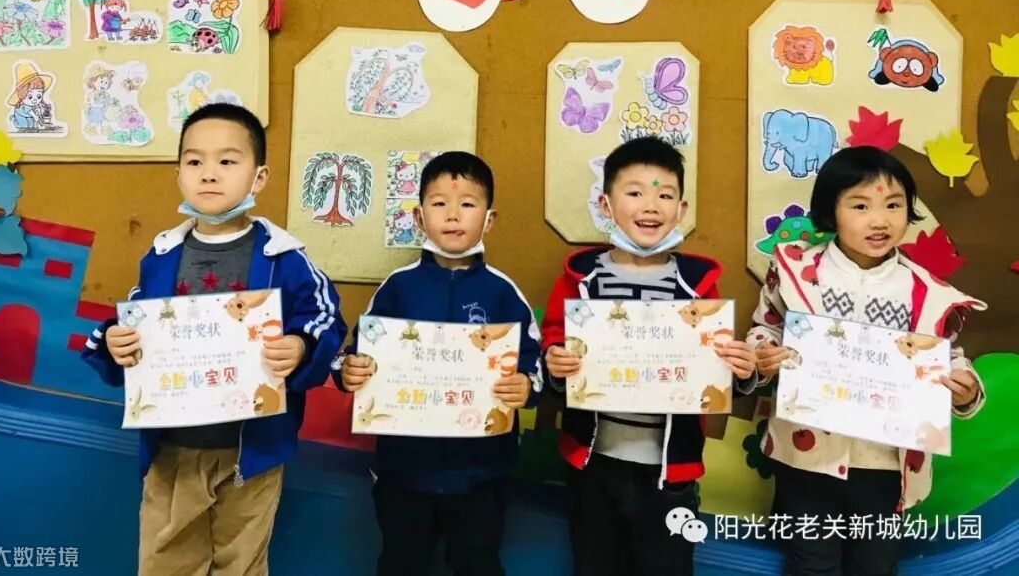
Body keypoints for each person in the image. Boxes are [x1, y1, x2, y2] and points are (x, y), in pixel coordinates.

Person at [82, 103, 343, 576]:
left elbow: (325, 317)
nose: (209, 173)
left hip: (251, 451)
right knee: (166, 562)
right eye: (194, 161)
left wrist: (301, 345)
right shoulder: (162, 255)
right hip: (173, 449)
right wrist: (116, 343)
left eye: (227, 160)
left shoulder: (284, 257)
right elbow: (136, 319)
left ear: (259, 177)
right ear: (179, 174)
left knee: (241, 564)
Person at [746, 146, 986, 576]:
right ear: (830, 211)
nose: (880, 220)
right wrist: (763, 353)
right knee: (811, 565)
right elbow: (767, 328)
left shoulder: (927, 292)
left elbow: (947, 356)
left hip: (885, 464)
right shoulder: (796, 271)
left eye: (894, 205)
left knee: (874, 566)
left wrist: (964, 387)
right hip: (807, 455)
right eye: (860, 206)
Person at [541, 137, 757, 576]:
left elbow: (715, 370)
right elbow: (553, 343)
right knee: (595, 566)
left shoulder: (697, 286)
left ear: (681, 209)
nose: (651, 206)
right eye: (635, 192)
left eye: (665, 195)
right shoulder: (581, 280)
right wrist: (555, 364)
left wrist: (741, 371)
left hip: (670, 473)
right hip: (593, 463)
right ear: (605, 204)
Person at [334, 151, 543, 576]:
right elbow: (358, 353)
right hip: (404, 471)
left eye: (467, 203)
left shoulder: (504, 293)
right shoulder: (397, 288)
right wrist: (348, 371)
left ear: (489, 219)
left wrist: (527, 384)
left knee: (477, 564)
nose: (452, 214)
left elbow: (533, 363)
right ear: (419, 216)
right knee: (401, 563)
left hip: (482, 473)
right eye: (439, 203)